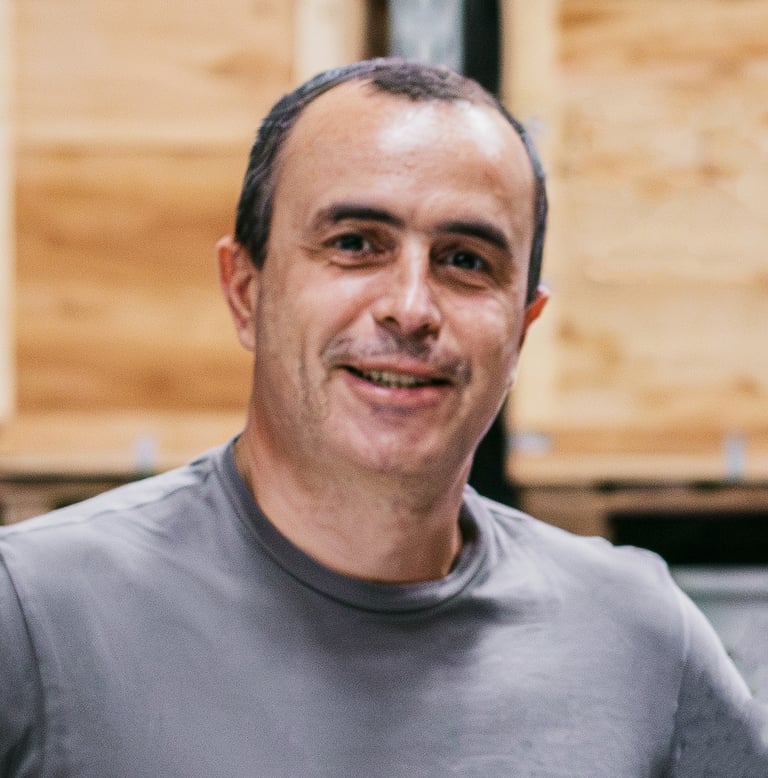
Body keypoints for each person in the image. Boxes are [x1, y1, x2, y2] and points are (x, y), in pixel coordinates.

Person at [0, 59, 766, 778]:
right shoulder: (36, 617)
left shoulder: (636, 639)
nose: (410, 307)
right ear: (245, 292)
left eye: (466, 260)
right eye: (355, 244)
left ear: (522, 331)